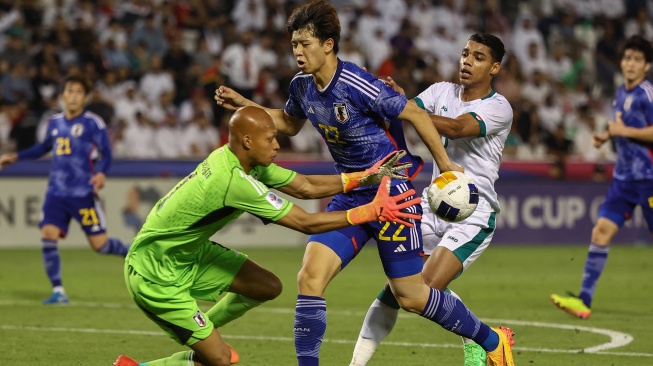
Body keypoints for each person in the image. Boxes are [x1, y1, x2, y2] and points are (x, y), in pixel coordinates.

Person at [215, 2, 515, 365]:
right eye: (294, 44)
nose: (297, 51)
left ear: (328, 45)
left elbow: (416, 113)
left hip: (393, 196)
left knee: (412, 296)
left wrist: (446, 164)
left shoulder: (358, 83)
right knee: (309, 277)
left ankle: (489, 339)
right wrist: (245, 105)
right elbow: (290, 124)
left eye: (304, 44)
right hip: (351, 194)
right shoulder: (302, 87)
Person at [112, 106, 421, 366]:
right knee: (220, 359)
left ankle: (202, 331)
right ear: (247, 141)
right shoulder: (233, 180)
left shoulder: (243, 160)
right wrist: (370, 211)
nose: (277, 145)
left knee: (266, 286)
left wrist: (367, 177)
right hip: (153, 272)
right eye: (271, 139)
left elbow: (305, 186)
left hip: (188, 253)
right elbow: (305, 223)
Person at [349, 33, 514, 366]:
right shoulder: (441, 91)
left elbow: (454, 128)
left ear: (494, 67)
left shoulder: (498, 107)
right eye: (465, 53)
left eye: (479, 57)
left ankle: (486, 339)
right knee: (399, 287)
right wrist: (380, 97)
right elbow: (400, 115)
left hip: (473, 211)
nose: (467, 61)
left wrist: (403, 106)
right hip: (433, 201)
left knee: (426, 286)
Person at [0, 75, 130, 305]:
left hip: (83, 194)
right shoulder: (54, 122)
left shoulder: (93, 123)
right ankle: (58, 291)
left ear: (86, 97)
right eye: (69, 91)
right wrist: (16, 157)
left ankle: (135, 253)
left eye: (79, 92)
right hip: (56, 193)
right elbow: (44, 147)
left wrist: (101, 173)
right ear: (62, 96)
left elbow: (106, 153)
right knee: (48, 234)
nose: (73, 96)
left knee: (101, 245)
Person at [550, 35, 653, 319]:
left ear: (646, 66)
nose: (630, 63)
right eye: (627, 58)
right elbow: (622, 127)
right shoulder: (621, 92)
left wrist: (622, 133)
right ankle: (584, 299)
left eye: (637, 59)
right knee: (600, 232)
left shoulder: (647, 94)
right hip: (623, 179)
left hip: (649, 178)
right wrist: (606, 135)